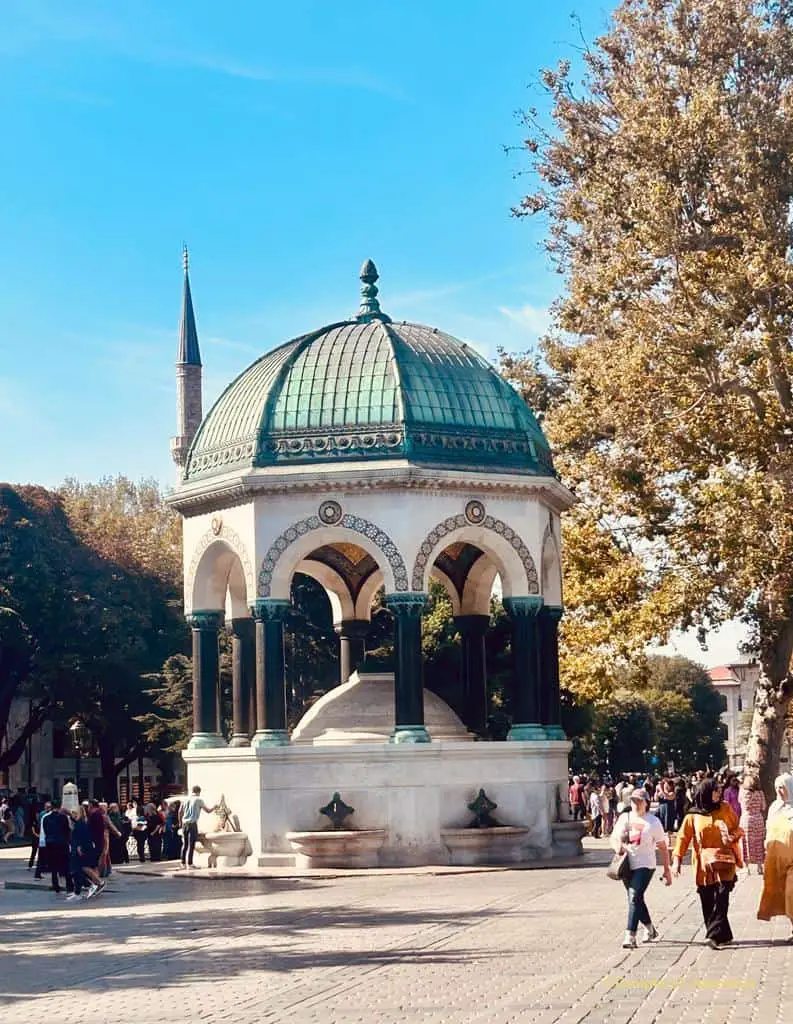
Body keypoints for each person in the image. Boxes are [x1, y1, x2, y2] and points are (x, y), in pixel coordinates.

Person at [673, 779, 743, 950]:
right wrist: (677, 861)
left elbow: (738, 828)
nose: (719, 794)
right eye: (715, 791)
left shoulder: (725, 808)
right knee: (707, 899)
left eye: (719, 790)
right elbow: (683, 838)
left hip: (724, 861)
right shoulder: (693, 815)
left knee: (722, 897)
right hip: (704, 865)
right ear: (704, 792)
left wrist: (731, 837)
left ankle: (711, 935)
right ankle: (723, 935)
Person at [611, 787, 672, 949]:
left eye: (640, 801)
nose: (636, 804)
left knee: (634, 896)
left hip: (645, 864)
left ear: (647, 803)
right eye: (633, 801)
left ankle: (630, 935)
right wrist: (618, 846)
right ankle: (650, 929)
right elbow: (614, 837)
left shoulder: (653, 822)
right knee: (636, 899)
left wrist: (667, 870)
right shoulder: (625, 818)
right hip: (626, 864)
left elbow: (663, 847)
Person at [757, 774, 793, 940]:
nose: (780, 791)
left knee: (791, 894)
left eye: (783, 787)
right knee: (781, 895)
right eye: (778, 787)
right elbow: (769, 828)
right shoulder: (774, 808)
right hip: (776, 859)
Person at [67, 805, 104, 900]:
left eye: (74, 813)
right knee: (81, 868)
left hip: (83, 848)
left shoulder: (81, 824)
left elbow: (82, 837)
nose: (73, 815)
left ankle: (97, 882)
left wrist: (79, 846)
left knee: (83, 867)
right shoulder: (81, 822)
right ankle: (90, 886)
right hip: (84, 848)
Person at [179, 786, 217, 869]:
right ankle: (190, 863)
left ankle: (182, 863)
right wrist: (214, 807)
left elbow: (180, 812)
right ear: (198, 792)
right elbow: (208, 811)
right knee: (191, 844)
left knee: (185, 844)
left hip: (184, 824)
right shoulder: (199, 800)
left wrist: (180, 823)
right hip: (192, 824)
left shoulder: (185, 799)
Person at [41, 802, 72, 895]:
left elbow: (45, 831)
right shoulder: (63, 817)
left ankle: (56, 886)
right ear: (59, 807)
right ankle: (69, 886)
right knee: (66, 865)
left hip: (51, 844)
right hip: (62, 843)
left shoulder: (46, 818)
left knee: (54, 866)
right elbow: (67, 831)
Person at [739, 775, 766, 876]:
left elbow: (742, 804)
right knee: (759, 842)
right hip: (758, 818)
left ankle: (747, 867)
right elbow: (763, 807)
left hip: (747, 819)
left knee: (746, 842)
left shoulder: (744, 792)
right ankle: (759, 866)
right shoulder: (760, 793)